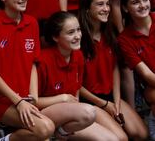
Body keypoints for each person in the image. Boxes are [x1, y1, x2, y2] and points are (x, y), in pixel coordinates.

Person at [0, 0, 55, 140]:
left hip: (26, 98)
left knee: (46, 134)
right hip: (0, 101)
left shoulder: (32, 22)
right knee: (45, 130)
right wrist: (18, 101)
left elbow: (33, 65)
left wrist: (33, 96)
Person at [78, 0, 148, 140]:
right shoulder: (78, 37)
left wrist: (116, 102)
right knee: (121, 138)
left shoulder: (110, 34)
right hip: (90, 101)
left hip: (110, 96)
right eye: (100, 4)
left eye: (108, 4)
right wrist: (103, 104)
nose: (106, 8)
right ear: (87, 9)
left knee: (142, 134)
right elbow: (75, 83)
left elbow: (114, 70)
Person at [38, 11, 118, 140]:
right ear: (55, 37)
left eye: (78, 30)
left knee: (113, 140)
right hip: (45, 116)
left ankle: (61, 134)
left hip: (70, 119)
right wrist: (62, 98)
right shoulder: (43, 61)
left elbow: (76, 93)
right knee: (88, 112)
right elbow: (33, 102)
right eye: (70, 33)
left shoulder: (78, 55)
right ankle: (55, 135)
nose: (77, 36)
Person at [118, 0, 155, 139]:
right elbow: (146, 75)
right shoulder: (125, 39)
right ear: (126, 8)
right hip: (151, 85)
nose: (143, 5)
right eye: (136, 2)